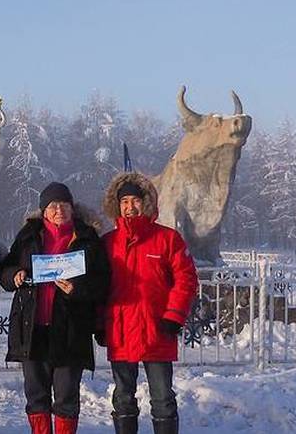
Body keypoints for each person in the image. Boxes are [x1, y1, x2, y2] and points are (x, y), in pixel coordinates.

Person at [0, 182, 110, 434]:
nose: (59, 210)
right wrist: (15, 275)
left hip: (70, 330)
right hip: (32, 329)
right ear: (44, 211)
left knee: (66, 396)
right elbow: (4, 270)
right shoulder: (28, 236)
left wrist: (77, 289)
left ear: (73, 209)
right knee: (36, 394)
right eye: (52, 206)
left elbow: (102, 282)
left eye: (64, 205)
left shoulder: (87, 239)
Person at [100, 172, 199, 434]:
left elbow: (186, 279)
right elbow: (98, 286)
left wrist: (174, 316)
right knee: (122, 398)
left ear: (146, 203)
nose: (129, 207)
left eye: (135, 200)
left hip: (157, 330)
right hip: (120, 331)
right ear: (117, 205)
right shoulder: (108, 243)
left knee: (163, 399)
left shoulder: (168, 239)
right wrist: (99, 322)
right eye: (124, 202)